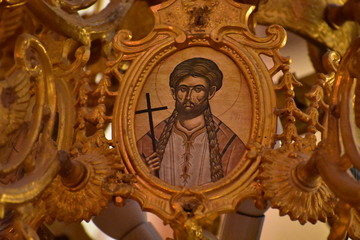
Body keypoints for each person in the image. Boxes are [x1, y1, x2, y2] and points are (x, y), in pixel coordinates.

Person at [137, 57, 245, 187]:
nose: (189, 97)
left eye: (198, 89)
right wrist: (145, 172)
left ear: (210, 93)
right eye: (183, 89)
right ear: (173, 92)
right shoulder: (150, 139)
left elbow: (235, 184)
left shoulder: (229, 142)